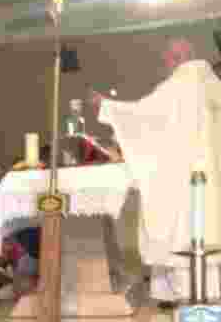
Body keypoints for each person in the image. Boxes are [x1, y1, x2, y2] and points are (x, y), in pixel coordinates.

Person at [92, 37, 221, 303]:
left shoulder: (176, 85)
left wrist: (106, 106)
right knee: (203, 232)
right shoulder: (213, 83)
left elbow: (143, 116)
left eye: (168, 59)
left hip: (181, 178)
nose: (167, 64)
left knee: (177, 230)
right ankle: (206, 291)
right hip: (209, 178)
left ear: (175, 59)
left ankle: (181, 293)